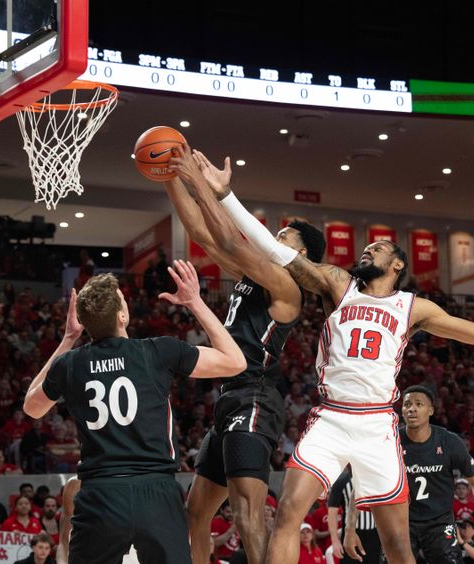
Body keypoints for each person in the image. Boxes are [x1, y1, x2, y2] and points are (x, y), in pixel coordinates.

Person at [202, 162, 474, 564]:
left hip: (378, 425)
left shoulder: (413, 307)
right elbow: (276, 251)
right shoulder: (339, 284)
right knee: (286, 516)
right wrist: (226, 196)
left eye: (379, 248)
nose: (367, 249)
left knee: (398, 545)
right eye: (367, 248)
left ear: (398, 264)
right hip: (330, 417)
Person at [22, 262, 246, 564]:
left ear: (85, 323)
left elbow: (32, 407)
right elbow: (235, 361)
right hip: (156, 490)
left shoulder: (69, 363)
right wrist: (195, 302)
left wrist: (67, 339)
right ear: (122, 315)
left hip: (99, 494)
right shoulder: (157, 351)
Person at [165, 144, 325, 564]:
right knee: (196, 512)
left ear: (301, 253)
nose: (275, 237)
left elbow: (230, 242)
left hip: (254, 396)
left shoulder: (287, 287)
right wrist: (167, 177)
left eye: (284, 236)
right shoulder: (255, 274)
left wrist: (200, 182)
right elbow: (203, 235)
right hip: (230, 398)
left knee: (247, 511)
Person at [400, 385, 474, 563]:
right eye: (407, 404)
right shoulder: (391, 442)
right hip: (401, 521)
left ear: (431, 410)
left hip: (439, 522)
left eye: (419, 404)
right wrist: (350, 528)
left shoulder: (450, 442)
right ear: (402, 411)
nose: (412, 408)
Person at [327, 467, 380, 564]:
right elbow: (332, 513)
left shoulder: (376, 479)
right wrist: (335, 541)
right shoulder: (342, 481)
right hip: (351, 534)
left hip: (375, 535)